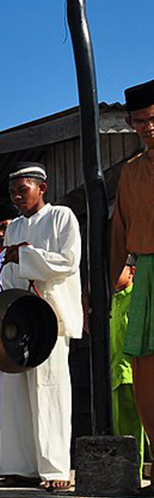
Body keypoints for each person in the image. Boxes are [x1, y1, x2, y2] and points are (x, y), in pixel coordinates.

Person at [0, 162, 82, 492]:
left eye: (23, 190)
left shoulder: (61, 217)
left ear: (42, 188)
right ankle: (19, 468)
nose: (17, 196)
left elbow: (68, 261)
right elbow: (10, 274)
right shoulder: (13, 228)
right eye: (12, 192)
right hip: (21, 317)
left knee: (50, 391)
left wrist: (24, 257)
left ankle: (55, 470)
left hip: (51, 315)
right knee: (16, 393)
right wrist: (14, 263)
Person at [111, 78, 154, 465]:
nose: (148, 127)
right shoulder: (131, 171)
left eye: (153, 118)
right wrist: (111, 283)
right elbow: (120, 231)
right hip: (144, 275)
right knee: (142, 366)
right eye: (139, 121)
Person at [113, 260, 148, 474]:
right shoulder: (112, 301)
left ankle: (137, 469)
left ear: (132, 271)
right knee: (122, 429)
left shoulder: (138, 298)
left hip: (131, 372)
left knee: (135, 428)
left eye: (118, 270)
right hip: (116, 373)